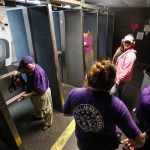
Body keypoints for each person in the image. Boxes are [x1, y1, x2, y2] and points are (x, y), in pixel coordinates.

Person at [62, 59, 145, 150]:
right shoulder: (117, 106)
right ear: (113, 84)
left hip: (82, 143)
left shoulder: (74, 93)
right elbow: (140, 141)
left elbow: (66, 113)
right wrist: (132, 142)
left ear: (88, 78)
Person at [12, 55, 53, 131]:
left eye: (25, 69)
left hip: (42, 94)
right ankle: (39, 116)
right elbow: (22, 69)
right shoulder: (29, 68)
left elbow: (39, 90)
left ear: (30, 67)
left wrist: (27, 95)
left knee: (46, 109)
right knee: (37, 106)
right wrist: (16, 72)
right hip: (34, 92)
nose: (24, 70)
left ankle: (48, 123)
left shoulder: (38, 73)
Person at [110, 34, 137, 99]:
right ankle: (120, 99)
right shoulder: (119, 49)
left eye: (129, 42)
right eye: (126, 42)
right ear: (123, 41)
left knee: (112, 92)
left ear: (132, 43)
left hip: (122, 78)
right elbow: (115, 60)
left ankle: (114, 105)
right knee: (119, 90)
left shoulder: (131, 55)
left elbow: (127, 71)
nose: (126, 44)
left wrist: (118, 79)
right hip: (116, 74)